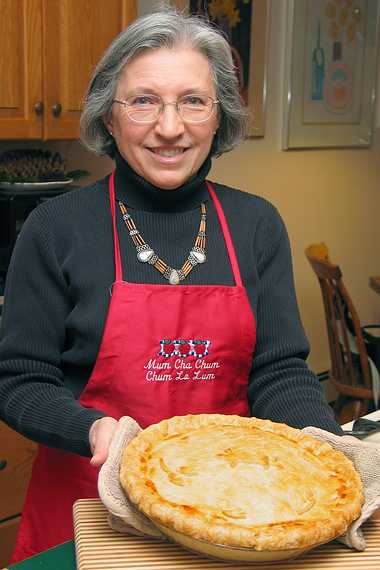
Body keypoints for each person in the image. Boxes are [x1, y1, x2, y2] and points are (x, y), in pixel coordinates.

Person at [0, 8, 344, 564]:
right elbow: (19, 382)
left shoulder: (257, 225)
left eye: (192, 100)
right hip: (86, 516)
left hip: (231, 517)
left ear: (219, 117)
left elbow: (278, 370)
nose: (169, 127)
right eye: (142, 101)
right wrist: (95, 431)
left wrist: (327, 446)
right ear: (109, 119)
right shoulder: (55, 228)